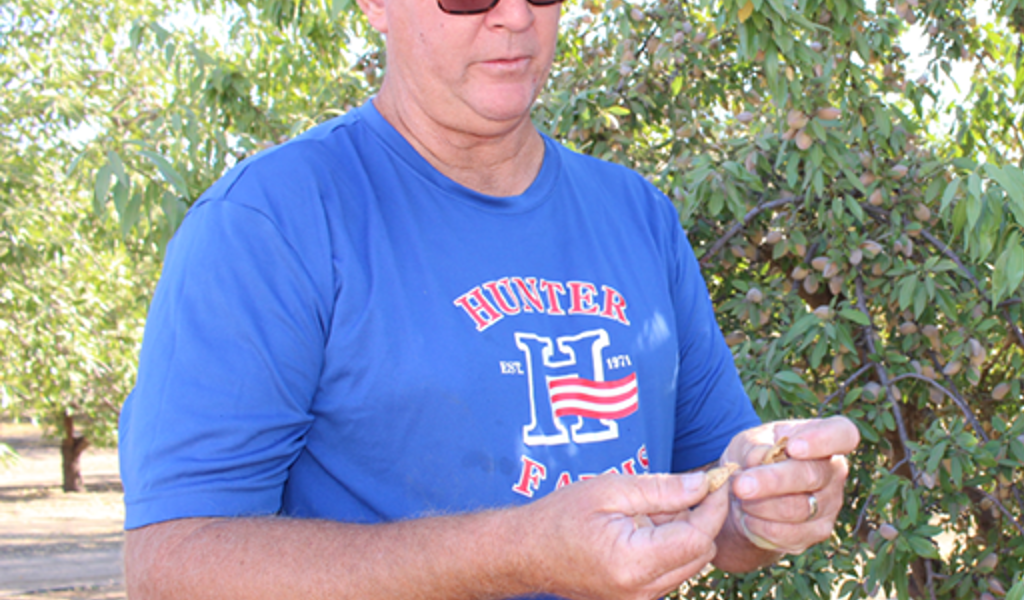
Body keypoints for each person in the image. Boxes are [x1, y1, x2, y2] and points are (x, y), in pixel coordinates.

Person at [115, 0, 860, 596]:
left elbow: (719, 509)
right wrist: (520, 552)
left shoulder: (637, 215)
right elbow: (172, 565)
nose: (512, 16)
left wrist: (769, 504)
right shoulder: (272, 221)